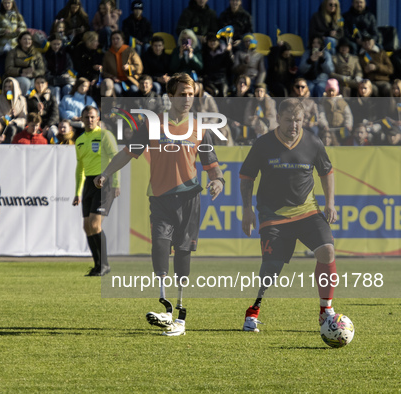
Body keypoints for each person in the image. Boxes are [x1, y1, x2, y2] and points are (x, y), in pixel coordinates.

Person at [94, 73, 225, 336]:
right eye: (182, 94)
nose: (187, 99)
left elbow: (212, 166)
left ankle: (181, 315)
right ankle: (165, 308)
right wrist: (106, 173)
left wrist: (218, 181)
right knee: (160, 247)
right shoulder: (154, 126)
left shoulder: (200, 128)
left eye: (191, 94)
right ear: (170, 96)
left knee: (183, 252)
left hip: (189, 198)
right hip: (160, 198)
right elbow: (128, 153)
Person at [240, 98, 340, 333]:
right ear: (277, 119)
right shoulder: (263, 144)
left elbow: (327, 172)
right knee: (271, 269)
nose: (294, 125)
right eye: (288, 120)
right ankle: (253, 311)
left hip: (307, 212)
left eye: (298, 120)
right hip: (272, 215)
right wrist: (246, 210)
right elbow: (246, 178)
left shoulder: (313, 142)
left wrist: (330, 203)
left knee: (327, 250)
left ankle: (326, 310)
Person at [73, 106, 119, 277]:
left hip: (104, 182)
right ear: (82, 119)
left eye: (92, 117)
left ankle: (105, 265)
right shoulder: (80, 140)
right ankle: (97, 265)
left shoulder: (105, 135)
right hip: (88, 185)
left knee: (94, 224)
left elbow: (116, 159)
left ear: (98, 118)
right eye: (86, 117)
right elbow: (80, 168)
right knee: (87, 227)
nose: (90, 120)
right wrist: (78, 192)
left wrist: (116, 182)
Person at [4, 30, 46, 96]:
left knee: (37, 83)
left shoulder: (37, 54)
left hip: (32, 76)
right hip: (16, 77)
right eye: (24, 39)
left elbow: (42, 69)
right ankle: (22, 101)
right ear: (20, 41)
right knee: (25, 82)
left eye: (29, 39)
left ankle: (34, 103)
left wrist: (32, 74)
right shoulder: (12, 53)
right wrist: (21, 71)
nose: (27, 41)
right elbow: (8, 69)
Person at [0, 77, 27, 142]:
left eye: (10, 87)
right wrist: (7, 117)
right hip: (4, 125)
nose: (7, 89)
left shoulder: (22, 100)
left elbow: (24, 118)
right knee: (12, 129)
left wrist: (14, 122)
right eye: (5, 87)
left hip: (17, 124)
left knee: (20, 129)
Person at [202, 32, 234, 97]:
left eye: (214, 41)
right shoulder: (204, 53)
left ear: (218, 42)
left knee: (223, 93)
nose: (212, 43)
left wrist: (229, 52)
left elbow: (230, 64)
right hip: (209, 79)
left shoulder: (224, 52)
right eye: (210, 41)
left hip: (221, 78)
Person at [27, 76, 59, 141]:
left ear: (46, 84)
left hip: (48, 125)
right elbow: (28, 114)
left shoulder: (51, 97)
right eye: (37, 83)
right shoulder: (30, 98)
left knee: (53, 132)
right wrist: (37, 111)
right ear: (34, 84)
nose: (40, 85)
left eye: (42, 82)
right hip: (34, 124)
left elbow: (55, 115)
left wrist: (47, 126)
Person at [44, 35, 75, 99]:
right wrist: (54, 78)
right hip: (52, 81)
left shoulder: (66, 55)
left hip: (64, 80)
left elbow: (70, 68)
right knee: (56, 89)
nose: (56, 46)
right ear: (50, 43)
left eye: (58, 44)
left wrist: (66, 74)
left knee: (67, 88)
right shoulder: (46, 56)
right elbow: (45, 71)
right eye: (54, 44)